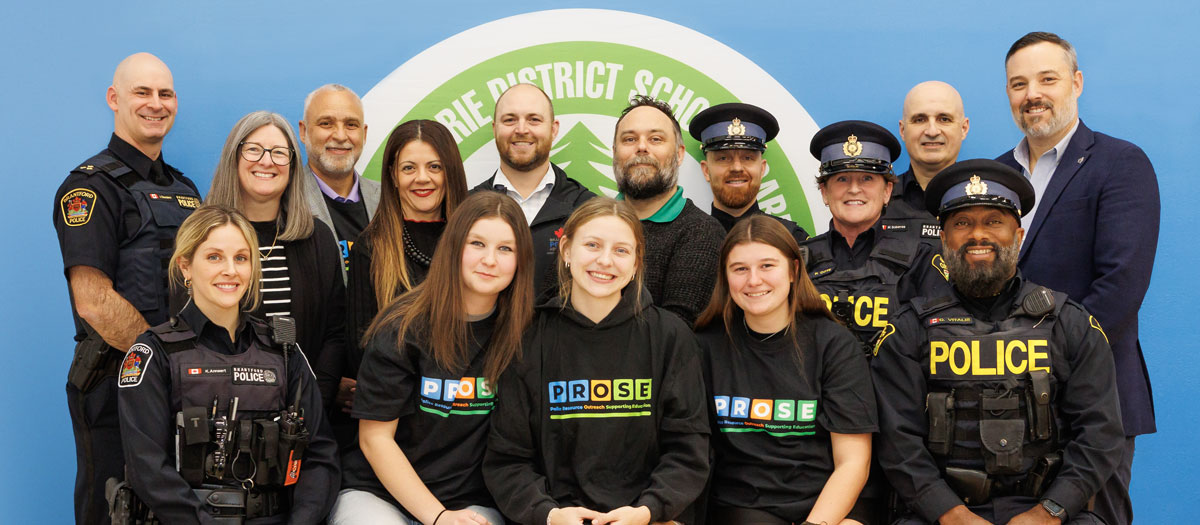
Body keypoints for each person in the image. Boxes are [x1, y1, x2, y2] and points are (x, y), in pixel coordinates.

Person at [872, 159, 1124, 524]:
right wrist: (950, 513)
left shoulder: (1069, 323)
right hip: (940, 514)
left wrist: (1049, 512)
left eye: (994, 222)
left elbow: (1100, 436)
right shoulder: (909, 330)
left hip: (1051, 512)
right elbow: (899, 444)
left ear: (1018, 236)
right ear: (943, 240)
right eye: (962, 223)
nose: (978, 235)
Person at [995, 32, 1159, 525]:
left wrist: (1044, 361)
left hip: (1093, 399)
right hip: (1002, 402)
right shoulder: (996, 176)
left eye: (1048, 79)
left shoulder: (1120, 164)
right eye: (1018, 84)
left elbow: (1120, 287)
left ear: (1077, 82)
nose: (1032, 94)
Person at [484, 197, 710, 525]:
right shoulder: (528, 339)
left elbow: (689, 451)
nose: (605, 261)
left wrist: (649, 510)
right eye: (592, 245)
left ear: (635, 263)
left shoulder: (670, 337)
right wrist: (549, 515)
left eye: (621, 250)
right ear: (566, 251)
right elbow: (507, 460)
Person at [115, 204, 339, 523]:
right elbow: (147, 468)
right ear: (185, 267)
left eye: (241, 258)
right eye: (214, 257)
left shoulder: (284, 351)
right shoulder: (153, 353)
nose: (230, 270)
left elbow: (320, 455)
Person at [53, 52, 200, 525]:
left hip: (184, 384)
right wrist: (163, 364)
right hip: (118, 381)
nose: (156, 103)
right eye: (143, 92)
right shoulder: (90, 188)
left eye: (165, 93)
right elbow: (93, 301)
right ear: (115, 99)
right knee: (115, 509)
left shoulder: (187, 190)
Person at [330, 192, 534, 525]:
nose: (490, 260)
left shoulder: (523, 335)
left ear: (521, 259)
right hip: (379, 493)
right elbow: (375, 439)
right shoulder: (402, 327)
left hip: (470, 502)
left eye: (505, 249)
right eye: (477, 244)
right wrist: (437, 517)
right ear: (453, 247)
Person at [695, 215, 874, 525]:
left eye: (767, 266)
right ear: (725, 277)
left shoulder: (834, 344)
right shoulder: (704, 347)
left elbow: (853, 462)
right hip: (745, 506)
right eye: (740, 269)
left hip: (830, 500)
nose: (753, 280)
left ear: (793, 270)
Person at [329, 120, 470, 450]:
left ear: (451, 171)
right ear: (392, 175)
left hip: (467, 421)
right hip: (395, 428)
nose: (423, 178)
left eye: (434, 166)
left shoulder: (474, 244)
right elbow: (362, 349)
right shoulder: (372, 248)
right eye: (409, 167)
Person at [205, 111, 347, 402]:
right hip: (222, 411)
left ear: (293, 167)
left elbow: (336, 332)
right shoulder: (202, 236)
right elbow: (188, 329)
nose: (267, 161)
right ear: (234, 157)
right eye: (254, 150)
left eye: (280, 153)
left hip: (304, 413)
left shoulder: (317, 237)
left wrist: (312, 402)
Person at [801, 120, 945, 352]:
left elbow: (935, 343)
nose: (854, 189)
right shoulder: (796, 261)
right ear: (824, 192)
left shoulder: (920, 260)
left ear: (887, 191)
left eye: (867, 179)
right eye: (842, 179)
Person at [611, 95, 725, 325]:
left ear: (679, 154)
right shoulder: (588, 225)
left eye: (655, 139)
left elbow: (676, 329)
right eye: (630, 139)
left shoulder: (702, 232)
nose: (641, 147)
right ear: (615, 152)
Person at [473, 83, 594, 296]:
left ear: (554, 129)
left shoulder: (587, 210)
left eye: (534, 119)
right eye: (509, 120)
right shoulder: (467, 207)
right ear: (495, 129)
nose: (521, 129)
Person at [688, 102, 809, 244]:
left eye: (747, 158)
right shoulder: (687, 241)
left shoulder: (791, 239)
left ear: (762, 168)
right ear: (706, 170)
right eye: (723, 158)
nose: (737, 168)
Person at [298, 84, 381, 276]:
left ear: (364, 133)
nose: (341, 136)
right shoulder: (283, 201)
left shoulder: (390, 200)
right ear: (303, 131)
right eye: (326, 123)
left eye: (351, 125)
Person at [886, 81, 971, 248]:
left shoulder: (984, 203)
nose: (932, 131)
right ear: (903, 130)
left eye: (944, 119)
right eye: (919, 119)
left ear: (964, 128)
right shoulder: (878, 201)